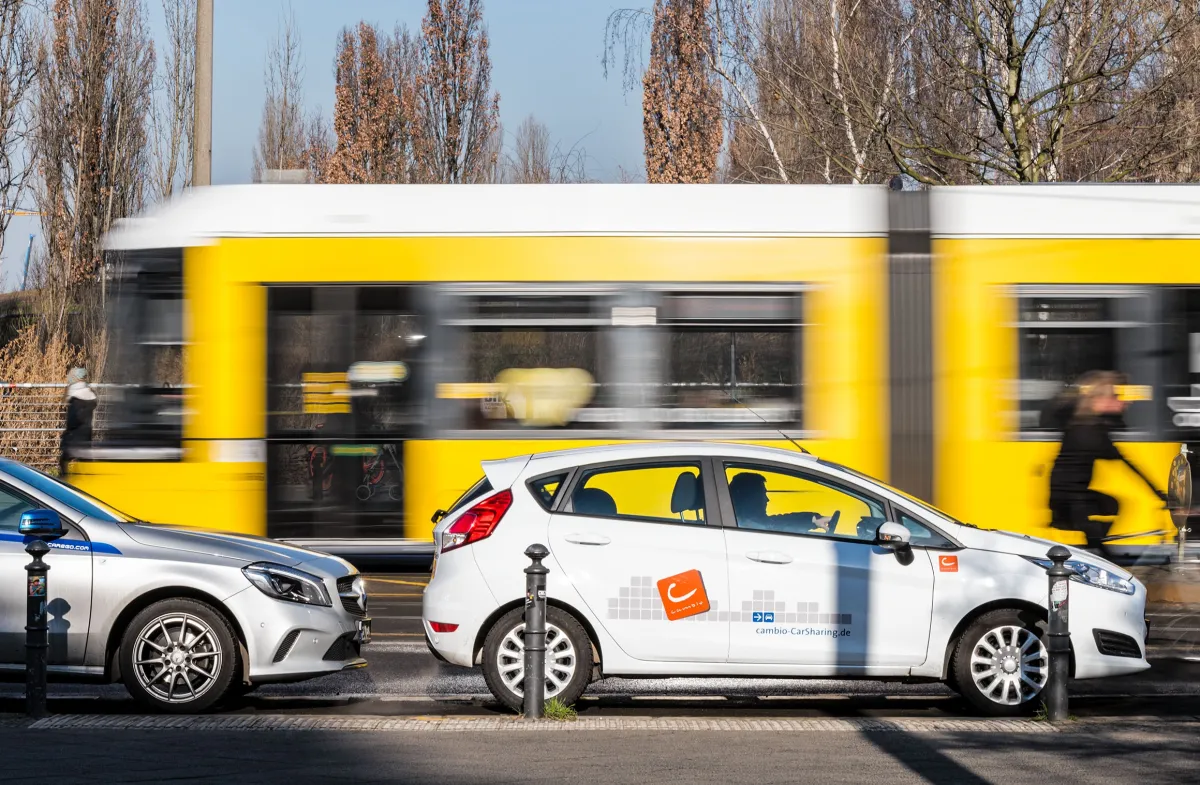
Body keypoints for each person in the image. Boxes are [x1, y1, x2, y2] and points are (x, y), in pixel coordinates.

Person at [1047, 370, 1167, 552]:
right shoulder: (1091, 431)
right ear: (1101, 399)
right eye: (1118, 397)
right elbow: (1127, 464)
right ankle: (1095, 550)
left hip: (1066, 496)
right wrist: (1158, 493)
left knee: (1110, 506)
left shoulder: (1081, 423)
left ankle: (1094, 546)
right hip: (1072, 499)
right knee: (1098, 544)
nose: (1126, 403)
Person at [727, 472, 832, 533]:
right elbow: (780, 524)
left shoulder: (739, 522)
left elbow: (780, 520)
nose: (767, 499)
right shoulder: (749, 526)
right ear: (749, 498)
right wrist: (813, 520)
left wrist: (814, 520)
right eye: (762, 494)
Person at [59, 367, 97, 479]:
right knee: (85, 462)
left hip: (74, 436)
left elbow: (73, 419)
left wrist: (67, 433)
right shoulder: (90, 395)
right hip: (86, 435)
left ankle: (64, 482)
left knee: (64, 461)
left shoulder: (75, 399)